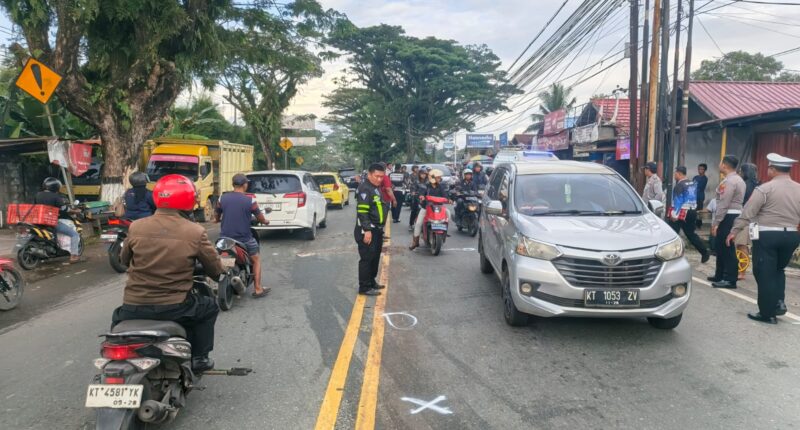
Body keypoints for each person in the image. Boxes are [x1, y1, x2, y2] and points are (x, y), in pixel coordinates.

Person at [112, 174, 224, 372]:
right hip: (175, 307)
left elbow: (123, 260)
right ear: (188, 199)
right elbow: (214, 269)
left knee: (116, 321)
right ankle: (199, 358)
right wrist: (217, 273)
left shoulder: (136, 226)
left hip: (133, 305)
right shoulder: (194, 231)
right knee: (209, 307)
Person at [727, 154, 800, 324]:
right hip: (791, 236)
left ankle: (767, 313)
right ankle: (778, 303)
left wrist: (734, 231)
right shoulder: (798, 188)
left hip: (767, 236)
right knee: (778, 269)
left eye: (769, 168)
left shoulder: (765, 189)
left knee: (764, 272)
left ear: (773, 169)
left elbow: (747, 212)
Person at [215, 173, 270, 298]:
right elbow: (260, 218)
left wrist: (216, 219)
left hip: (224, 239)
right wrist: (265, 221)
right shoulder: (250, 200)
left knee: (218, 258)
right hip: (244, 239)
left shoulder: (222, 198)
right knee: (256, 259)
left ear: (233, 184)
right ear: (245, 185)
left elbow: (217, 215)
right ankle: (258, 288)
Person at [709, 155, 746, 289]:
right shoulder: (736, 179)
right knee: (720, 246)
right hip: (731, 215)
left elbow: (724, 203)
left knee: (726, 247)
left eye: (720, 162)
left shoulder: (730, 181)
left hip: (728, 216)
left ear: (724, 165)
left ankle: (730, 279)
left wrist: (716, 222)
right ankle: (720, 275)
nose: (719, 165)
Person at [355, 163, 390, 296]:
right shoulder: (365, 188)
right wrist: (367, 230)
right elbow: (362, 211)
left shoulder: (375, 188)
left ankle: (371, 281)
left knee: (375, 257)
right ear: (369, 174)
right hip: (368, 230)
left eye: (382, 176)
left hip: (377, 229)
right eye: (377, 176)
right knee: (367, 258)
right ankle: (364, 287)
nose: (379, 179)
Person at [35, 177, 81, 263]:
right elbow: (64, 208)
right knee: (74, 234)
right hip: (51, 222)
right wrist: (75, 211)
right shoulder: (56, 196)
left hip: (39, 221)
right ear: (55, 187)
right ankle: (74, 255)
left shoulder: (38, 195)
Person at [670, 166, 710, 263]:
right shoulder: (692, 183)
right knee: (691, 234)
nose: (674, 175)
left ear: (679, 173)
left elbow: (678, 201)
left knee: (672, 233)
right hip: (692, 210)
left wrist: (674, 215)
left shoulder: (679, 185)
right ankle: (704, 252)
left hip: (682, 212)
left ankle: (671, 256)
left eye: (675, 173)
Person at [409, 169, 451, 250]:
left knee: (448, 213)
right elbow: (421, 193)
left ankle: (444, 231)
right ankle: (415, 241)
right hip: (426, 208)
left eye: (439, 177)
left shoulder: (441, 186)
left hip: (439, 208)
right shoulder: (426, 186)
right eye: (438, 177)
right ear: (433, 178)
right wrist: (421, 196)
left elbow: (445, 195)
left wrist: (449, 199)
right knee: (418, 224)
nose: (440, 179)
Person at [735, 163, 759, 281]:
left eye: (741, 171)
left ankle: (741, 273)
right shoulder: (758, 185)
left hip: (745, 219)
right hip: (755, 221)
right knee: (751, 246)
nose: (739, 173)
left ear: (745, 172)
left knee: (741, 245)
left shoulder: (744, 186)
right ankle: (744, 271)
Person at [408, 167, 428, 231]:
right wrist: (413, 192)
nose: (423, 175)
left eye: (425, 174)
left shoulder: (428, 182)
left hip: (426, 199)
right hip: (417, 198)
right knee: (414, 210)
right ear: (419, 174)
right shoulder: (416, 181)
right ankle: (411, 224)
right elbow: (413, 188)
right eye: (422, 174)